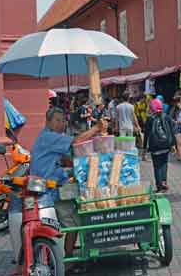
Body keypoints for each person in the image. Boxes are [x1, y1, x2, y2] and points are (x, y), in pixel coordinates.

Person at [29, 107, 106, 270]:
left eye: (63, 120)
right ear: (48, 121)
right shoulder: (49, 137)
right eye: (57, 120)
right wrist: (96, 128)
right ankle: (69, 260)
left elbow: (66, 156)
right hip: (47, 191)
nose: (61, 124)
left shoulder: (49, 137)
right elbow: (76, 141)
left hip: (50, 188)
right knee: (73, 222)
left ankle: (64, 254)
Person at [143, 98, 176, 192]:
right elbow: (171, 132)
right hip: (166, 145)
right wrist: (173, 145)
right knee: (164, 163)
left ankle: (159, 185)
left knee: (157, 165)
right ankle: (164, 182)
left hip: (155, 146)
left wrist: (144, 149)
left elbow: (146, 135)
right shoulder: (167, 117)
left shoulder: (150, 119)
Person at [169, 95, 181, 162]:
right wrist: (176, 121)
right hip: (176, 127)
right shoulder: (174, 108)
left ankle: (178, 154)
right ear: (179, 101)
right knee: (179, 142)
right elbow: (170, 118)